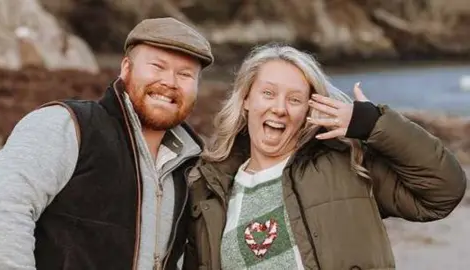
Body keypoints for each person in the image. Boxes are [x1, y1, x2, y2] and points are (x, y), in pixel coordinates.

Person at [183, 44, 467, 270]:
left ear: (309, 109)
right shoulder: (209, 188)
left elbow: (443, 191)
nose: (279, 108)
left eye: (294, 99)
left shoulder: (346, 165)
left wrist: (372, 124)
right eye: (268, 93)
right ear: (246, 100)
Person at [0, 17, 213, 270]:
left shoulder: (195, 165)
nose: (170, 82)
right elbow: (4, 213)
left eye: (185, 74)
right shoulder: (66, 125)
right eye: (157, 66)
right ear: (126, 68)